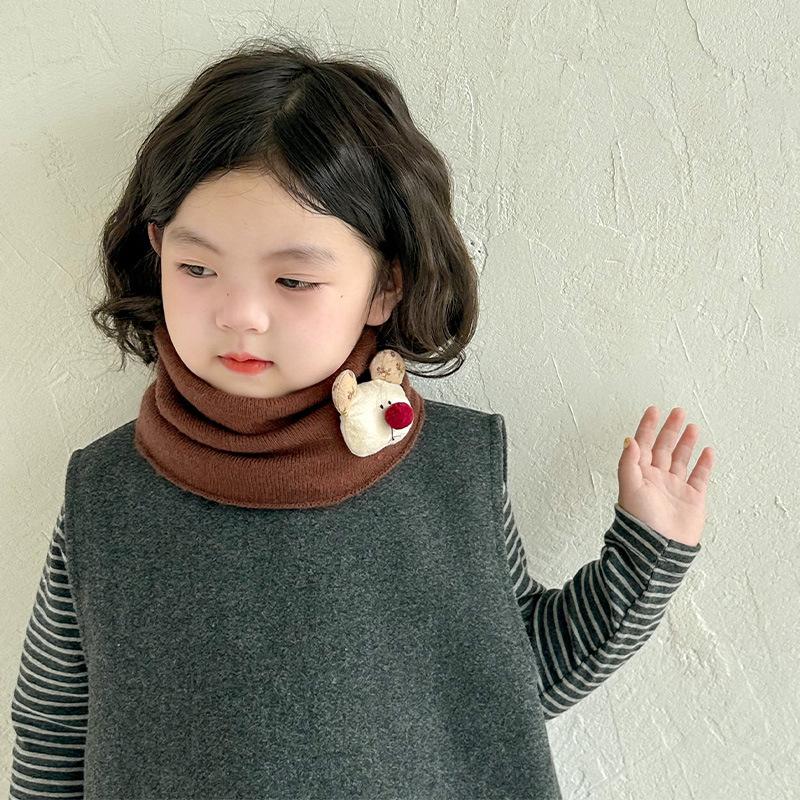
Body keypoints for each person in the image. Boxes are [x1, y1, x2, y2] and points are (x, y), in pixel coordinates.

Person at [8, 35, 714, 800]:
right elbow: (52, 725)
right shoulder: (106, 491)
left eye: (293, 280)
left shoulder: (450, 471)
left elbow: (509, 683)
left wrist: (648, 551)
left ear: (385, 287)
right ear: (157, 253)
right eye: (198, 268)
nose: (240, 314)